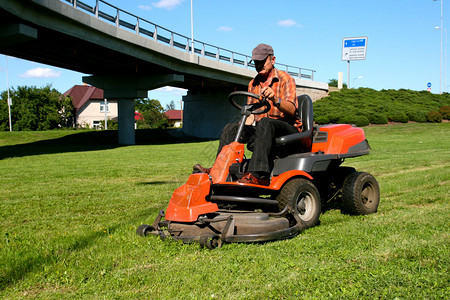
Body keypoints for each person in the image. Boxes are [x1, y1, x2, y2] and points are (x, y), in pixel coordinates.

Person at [194, 43, 302, 186]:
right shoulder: (253, 84)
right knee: (230, 128)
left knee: (265, 122)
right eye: (256, 62)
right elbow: (251, 114)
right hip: (265, 131)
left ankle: (258, 175)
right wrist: (240, 131)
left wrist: (275, 100)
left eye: (262, 61)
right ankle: (217, 170)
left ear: (273, 60)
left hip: (288, 131)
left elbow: (292, 110)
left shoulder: (285, 79)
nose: (259, 65)